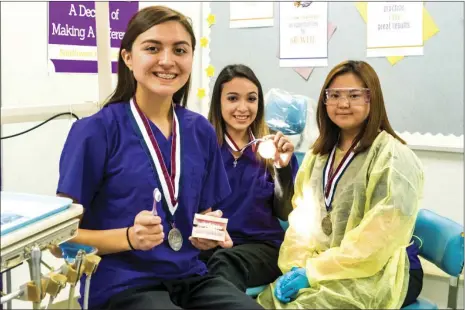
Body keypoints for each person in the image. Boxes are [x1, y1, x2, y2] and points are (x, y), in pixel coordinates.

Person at [55, 6, 263, 310]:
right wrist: (128, 237)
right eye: (152, 48)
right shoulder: (95, 132)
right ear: (127, 57)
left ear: (192, 58)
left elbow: (201, 215)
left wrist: (206, 233)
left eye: (180, 50)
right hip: (121, 283)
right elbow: (61, 243)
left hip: (189, 276)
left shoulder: (199, 130)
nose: (167, 60)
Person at [256, 60, 424, 309]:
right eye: (334, 95)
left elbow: (376, 242)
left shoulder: (393, 157)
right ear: (324, 101)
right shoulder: (318, 155)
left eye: (354, 95)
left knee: (306, 305)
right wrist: (297, 265)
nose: (343, 104)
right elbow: (301, 221)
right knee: (270, 301)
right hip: (324, 263)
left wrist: (313, 273)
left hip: (381, 267)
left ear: (372, 99)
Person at [195, 64, 299, 292]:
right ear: (218, 102)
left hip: (262, 248)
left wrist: (282, 169)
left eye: (251, 99)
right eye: (233, 98)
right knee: (188, 268)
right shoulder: (201, 148)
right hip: (211, 245)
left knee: (223, 264)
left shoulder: (273, 149)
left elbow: (285, 212)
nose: (243, 108)